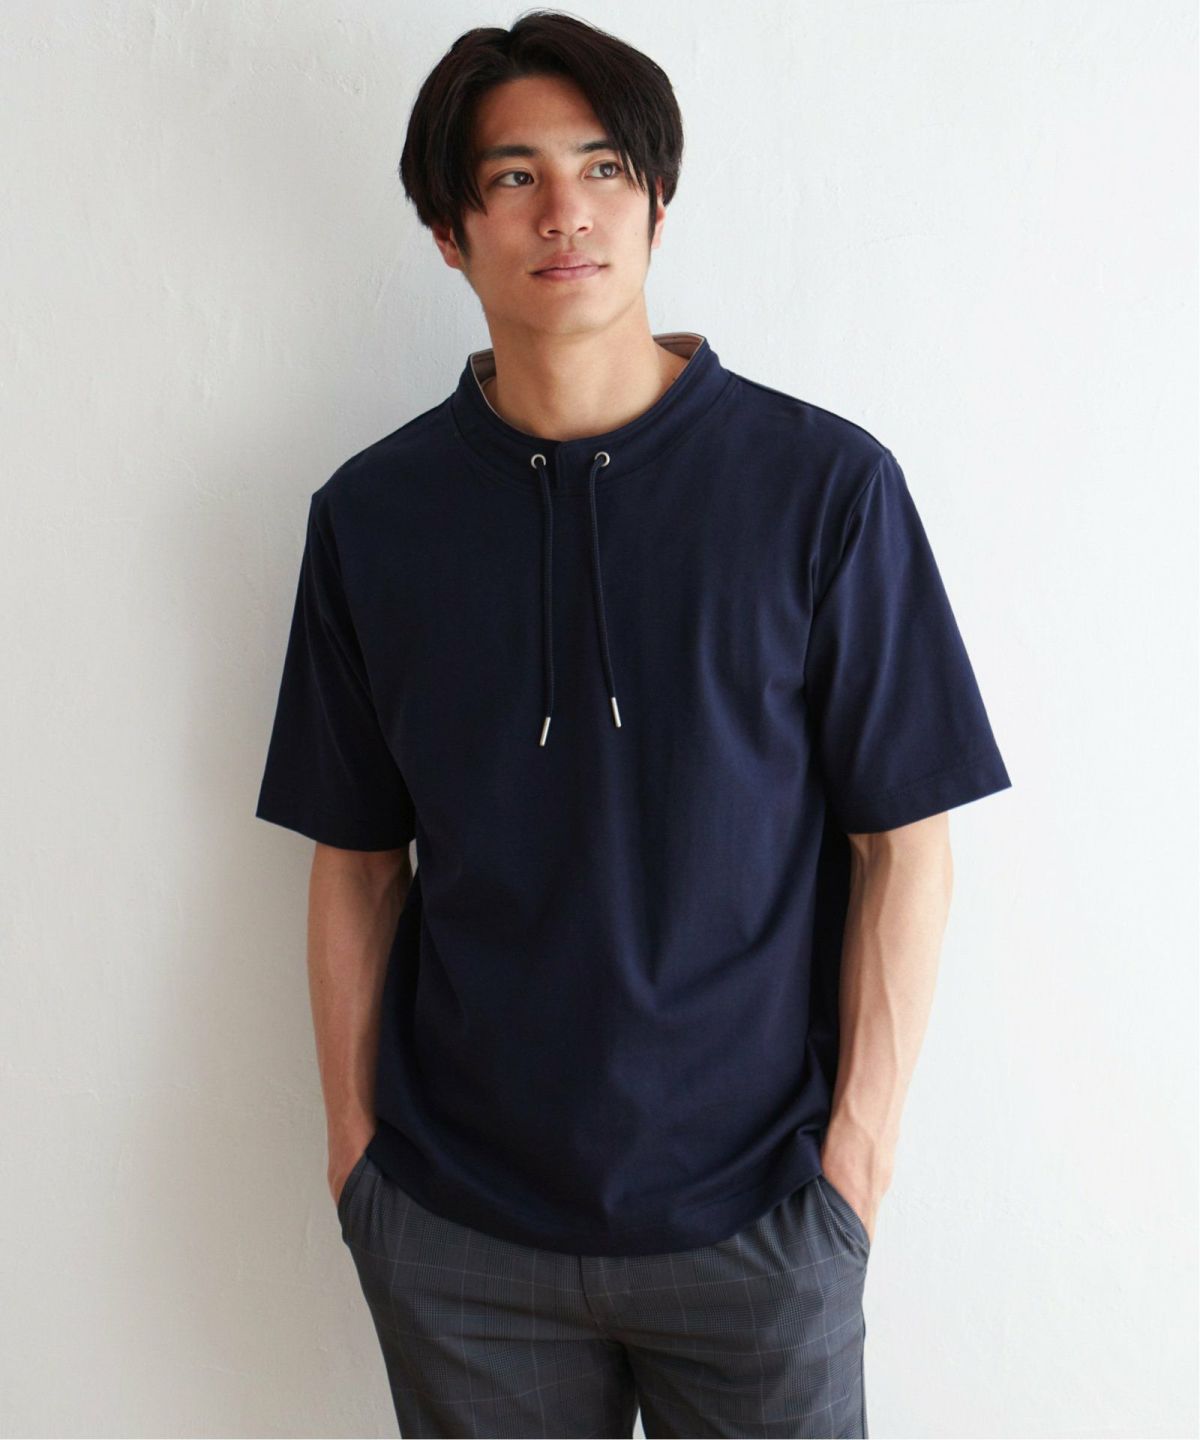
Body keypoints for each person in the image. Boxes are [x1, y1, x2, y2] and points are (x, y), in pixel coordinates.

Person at [254, 12, 1012, 1437]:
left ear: (658, 202)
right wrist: (356, 1154)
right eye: (515, 176)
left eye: (604, 167)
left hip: (761, 1224)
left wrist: (853, 1168)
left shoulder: (822, 490)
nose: (568, 211)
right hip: (461, 1239)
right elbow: (355, 860)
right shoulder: (374, 520)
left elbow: (906, 842)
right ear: (448, 232)